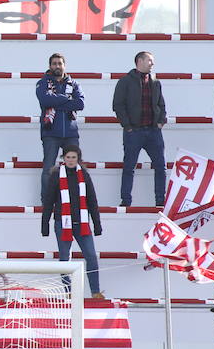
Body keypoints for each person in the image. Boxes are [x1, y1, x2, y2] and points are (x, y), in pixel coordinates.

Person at [41, 146, 103, 299]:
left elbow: (92, 201)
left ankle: (95, 291)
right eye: (68, 157)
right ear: (63, 158)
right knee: (64, 258)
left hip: (82, 223)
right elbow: (48, 201)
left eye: (73, 157)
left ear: (78, 159)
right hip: (62, 223)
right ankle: (68, 291)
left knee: (91, 256)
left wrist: (97, 224)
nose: (70, 160)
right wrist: (45, 224)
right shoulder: (55, 176)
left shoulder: (85, 176)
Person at [111, 50, 168, 208]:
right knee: (129, 167)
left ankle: (160, 201)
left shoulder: (155, 82)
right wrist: (127, 126)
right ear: (139, 61)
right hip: (134, 132)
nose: (152, 64)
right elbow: (118, 105)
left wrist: (161, 121)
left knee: (161, 167)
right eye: (150, 60)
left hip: (153, 131)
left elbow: (161, 104)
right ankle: (126, 201)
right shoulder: (125, 82)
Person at [36, 53, 85, 194]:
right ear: (50, 66)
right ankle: (46, 201)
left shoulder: (74, 84)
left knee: (74, 168)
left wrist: (56, 101)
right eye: (54, 63)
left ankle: (73, 199)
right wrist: (67, 99)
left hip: (71, 133)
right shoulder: (43, 83)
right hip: (51, 133)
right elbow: (45, 100)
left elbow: (80, 104)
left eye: (60, 63)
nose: (57, 66)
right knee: (49, 169)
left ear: (64, 65)